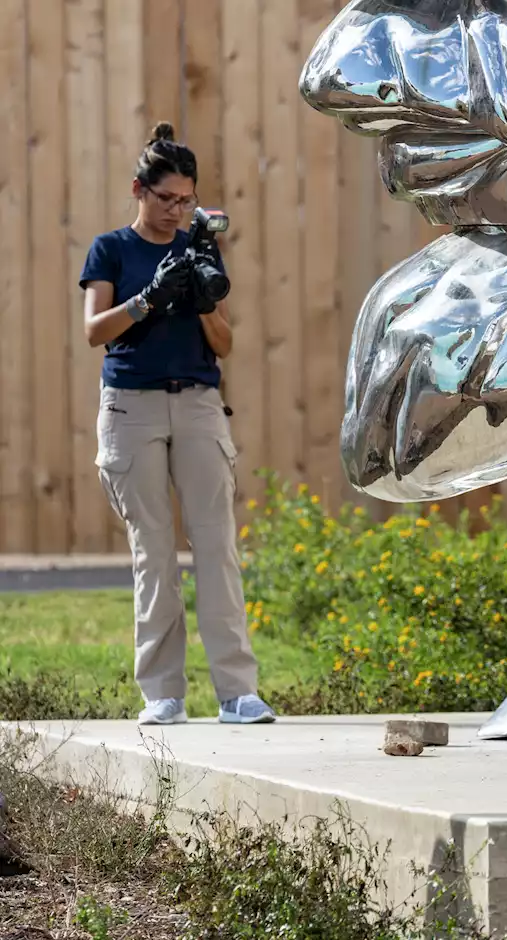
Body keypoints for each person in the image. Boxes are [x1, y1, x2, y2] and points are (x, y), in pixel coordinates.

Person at [80, 122, 276, 727]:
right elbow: (94, 331)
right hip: (131, 406)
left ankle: (238, 694)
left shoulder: (198, 247)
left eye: (187, 199)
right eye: (167, 199)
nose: (177, 210)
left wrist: (196, 301)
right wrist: (147, 299)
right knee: (154, 553)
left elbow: (225, 341)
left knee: (216, 547)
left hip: (197, 401)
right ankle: (163, 695)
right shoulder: (111, 249)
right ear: (139, 190)